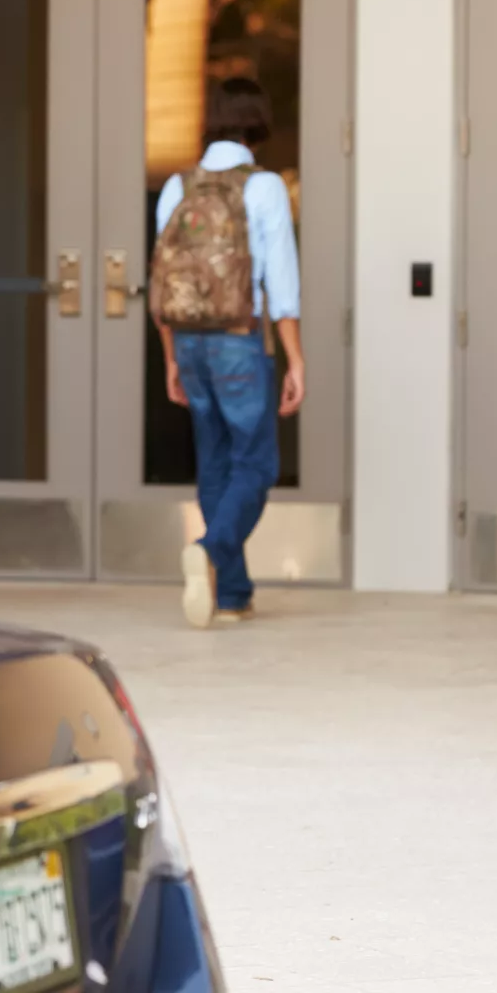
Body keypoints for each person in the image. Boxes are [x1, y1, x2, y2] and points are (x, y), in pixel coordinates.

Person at [155, 77, 306, 628]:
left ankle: (232, 593)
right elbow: (281, 284)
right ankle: (212, 549)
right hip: (241, 339)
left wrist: (171, 356)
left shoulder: (179, 187)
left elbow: (162, 283)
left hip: (190, 340)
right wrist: (295, 358)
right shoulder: (261, 187)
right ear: (258, 122)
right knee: (258, 462)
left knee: (215, 458)